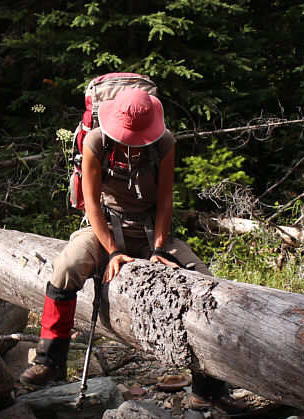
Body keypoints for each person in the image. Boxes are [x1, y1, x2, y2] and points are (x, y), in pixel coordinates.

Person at [20, 87, 228, 402]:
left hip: (147, 230)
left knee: (201, 280)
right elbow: (91, 204)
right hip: (104, 227)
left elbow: (165, 200)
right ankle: (50, 361)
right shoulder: (96, 142)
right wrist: (114, 252)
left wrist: (158, 249)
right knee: (65, 269)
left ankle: (208, 388)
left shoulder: (164, 143)